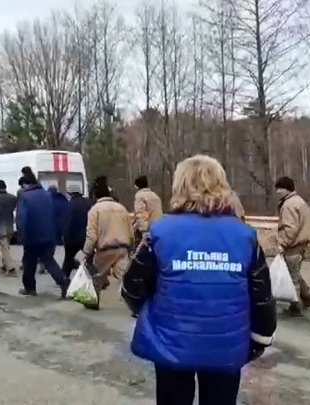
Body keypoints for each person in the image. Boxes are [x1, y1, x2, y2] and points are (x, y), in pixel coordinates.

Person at [122, 154, 277, 405]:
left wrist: (152, 312)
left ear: (179, 185)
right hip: (227, 348)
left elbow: (131, 287)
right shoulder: (245, 236)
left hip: (170, 346)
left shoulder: (159, 233)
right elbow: (262, 297)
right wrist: (260, 339)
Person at [16, 166, 69, 297]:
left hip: (32, 236)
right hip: (49, 235)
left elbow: (22, 218)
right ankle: (63, 281)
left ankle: (30, 288)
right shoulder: (47, 195)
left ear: (25, 184)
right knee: (49, 261)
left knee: (29, 263)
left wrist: (21, 235)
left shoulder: (25, 196)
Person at [82, 180, 134, 309]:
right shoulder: (121, 208)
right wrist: (131, 247)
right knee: (126, 276)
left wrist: (87, 251)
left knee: (96, 277)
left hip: (104, 249)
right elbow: (130, 230)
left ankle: (92, 301)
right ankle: (135, 303)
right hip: (122, 248)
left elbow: (92, 234)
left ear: (95, 195)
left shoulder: (95, 210)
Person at [275, 176, 310, 316]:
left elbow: (290, 228)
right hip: (302, 244)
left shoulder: (288, 205)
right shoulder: (300, 202)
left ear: (285, 189)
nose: (277, 192)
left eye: (279, 189)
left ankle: (295, 306)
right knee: (293, 271)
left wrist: (283, 243)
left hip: (293, 245)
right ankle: (307, 297)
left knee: (291, 277)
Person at [0, 180, 19, 275]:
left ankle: (10, 267)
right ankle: (5, 264)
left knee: (4, 246)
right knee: (5, 246)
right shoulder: (12, 197)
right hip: (10, 225)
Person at [61, 184, 92, 278]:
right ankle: (97, 277)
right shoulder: (88, 203)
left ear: (70, 192)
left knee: (68, 259)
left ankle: (64, 278)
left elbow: (67, 222)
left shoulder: (70, 205)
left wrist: (65, 236)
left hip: (72, 238)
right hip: (86, 236)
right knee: (91, 258)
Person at [132, 175, 162, 244]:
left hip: (149, 230)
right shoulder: (155, 195)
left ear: (137, 186)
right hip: (159, 227)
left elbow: (141, 215)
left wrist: (143, 232)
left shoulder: (139, 196)